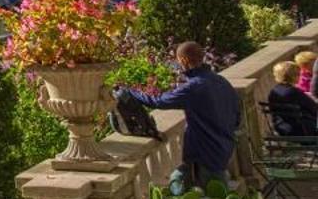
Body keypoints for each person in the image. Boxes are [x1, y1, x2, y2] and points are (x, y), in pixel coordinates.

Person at [118, 41, 242, 187]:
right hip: (223, 151)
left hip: (205, 156)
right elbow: (237, 116)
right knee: (198, 190)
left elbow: (159, 101)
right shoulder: (221, 81)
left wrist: (130, 92)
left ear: (183, 60)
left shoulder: (194, 87)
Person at [267, 61, 318, 137]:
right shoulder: (294, 92)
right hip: (303, 130)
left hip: (281, 128)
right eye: (298, 74)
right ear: (294, 75)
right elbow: (314, 108)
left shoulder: (274, 91)